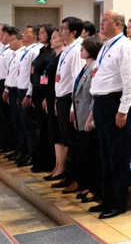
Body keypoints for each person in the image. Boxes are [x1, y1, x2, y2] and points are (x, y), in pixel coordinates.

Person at [89, 10, 131, 219]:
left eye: (106, 20)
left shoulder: (126, 47)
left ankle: (118, 203)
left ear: (118, 24)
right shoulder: (106, 46)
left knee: (117, 155)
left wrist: (123, 110)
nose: (101, 23)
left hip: (115, 104)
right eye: (101, 20)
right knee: (105, 154)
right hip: (101, 103)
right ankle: (107, 199)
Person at [51, 17, 84, 192]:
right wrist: (57, 100)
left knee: (73, 141)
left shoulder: (77, 50)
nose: (60, 31)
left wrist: (72, 106)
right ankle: (69, 175)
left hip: (71, 100)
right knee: (67, 140)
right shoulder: (66, 49)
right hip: (62, 98)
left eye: (63, 29)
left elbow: (77, 80)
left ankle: (77, 179)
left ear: (73, 32)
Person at [69, 36, 103, 204]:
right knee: (84, 152)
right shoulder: (86, 66)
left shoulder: (95, 67)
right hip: (80, 113)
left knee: (91, 154)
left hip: (89, 115)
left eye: (84, 48)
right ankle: (86, 184)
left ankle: (93, 186)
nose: (81, 50)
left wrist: (90, 118)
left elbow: (94, 96)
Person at [25, 24, 55, 172]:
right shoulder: (41, 51)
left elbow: (47, 75)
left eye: (43, 33)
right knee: (40, 128)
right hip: (37, 91)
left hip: (44, 92)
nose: (39, 35)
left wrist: (44, 94)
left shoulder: (51, 53)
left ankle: (46, 162)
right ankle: (39, 160)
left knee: (44, 129)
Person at [14, 26, 43, 167]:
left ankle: (33, 154)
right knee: (23, 124)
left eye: (26, 33)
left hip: (27, 90)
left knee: (31, 125)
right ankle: (26, 151)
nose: (23, 34)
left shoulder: (35, 51)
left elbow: (34, 75)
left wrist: (29, 94)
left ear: (34, 37)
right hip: (21, 89)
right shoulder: (27, 51)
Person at [43, 29, 64, 181]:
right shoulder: (54, 56)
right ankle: (57, 166)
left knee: (59, 132)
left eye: (54, 38)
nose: (51, 40)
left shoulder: (63, 55)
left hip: (58, 96)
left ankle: (61, 167)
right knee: (53, 132)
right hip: (49, 95)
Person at [3, 29, 25, 160]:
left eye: (12, 40)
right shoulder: (14, 54)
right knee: (15, 121)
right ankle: (18, 149)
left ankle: (23, 150)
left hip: (19, 89)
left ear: (20, 40)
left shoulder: (24, 53)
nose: (10, 43)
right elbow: (10, 73)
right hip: (11, 88)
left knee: (20, 122)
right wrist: (6, 89)